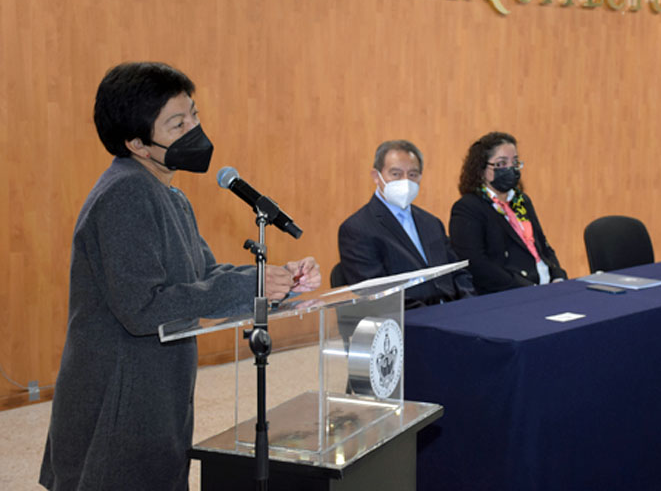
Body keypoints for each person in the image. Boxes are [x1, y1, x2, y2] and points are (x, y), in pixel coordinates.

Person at [39, 62, 321, 491]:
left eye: (194, 114)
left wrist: (275, 280)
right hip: (121, 393)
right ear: (137, 143)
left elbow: (205, 276)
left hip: (153, 386)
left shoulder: (167, 191)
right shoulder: (126, 193)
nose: (194, 128)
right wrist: (253, 285)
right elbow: (143, 308)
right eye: (177, 123)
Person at [338, 139, 474, 309]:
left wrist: (470, 306)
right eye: (395, 174)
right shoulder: (357, 228)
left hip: (451, 314)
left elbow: (457, 271)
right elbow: (377, 295)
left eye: (412, 174)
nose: (405, 181)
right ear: (376, 176)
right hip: (407, 321)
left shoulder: (431, 222)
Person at [449, 132, 566, 294]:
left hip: (546, 287)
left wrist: (558, 275)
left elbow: (543, 245)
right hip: (510, 293)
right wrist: (526, 289)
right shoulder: (468, 207)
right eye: (501, 163)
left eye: (515, 162)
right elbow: (476, 264)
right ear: (482, 170)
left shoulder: (521, 201)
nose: (510, 169)